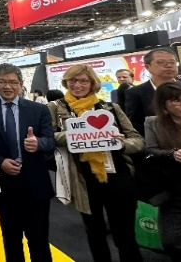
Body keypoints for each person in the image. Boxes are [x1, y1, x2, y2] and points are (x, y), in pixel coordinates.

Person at [48, 64, 144, 262]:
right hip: (83, 178)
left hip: (118, 175)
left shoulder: (110, 108)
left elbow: (137, 140)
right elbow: (49, 137)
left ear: (92, 83)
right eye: (73, 80)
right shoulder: (56, 108)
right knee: (95, 232)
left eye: (83, 81)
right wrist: (78, 135)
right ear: (66, 82)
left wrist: (120, 143)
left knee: (125, 234)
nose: (77, 85)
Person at [0, 64, 55, 262]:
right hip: (4, 184)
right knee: (11, 238)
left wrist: (38, 143)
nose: (8, 86)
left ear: (21, 84)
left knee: (39, 239)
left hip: (35, 183)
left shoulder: (38, 109)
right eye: (2, 82)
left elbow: (50, 141)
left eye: (13, 82)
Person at [145, 82, 181, 261]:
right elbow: (150, 150)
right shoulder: (153, 123)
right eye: (177, 101)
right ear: (164, 104)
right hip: (172, 192)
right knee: (172, 243)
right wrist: (172, 154)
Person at [126, 48, 181, 136]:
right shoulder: (135, 93)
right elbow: (136, 125)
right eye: (161, 62)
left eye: (172, 62)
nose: (169, 65)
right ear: (147, 67)